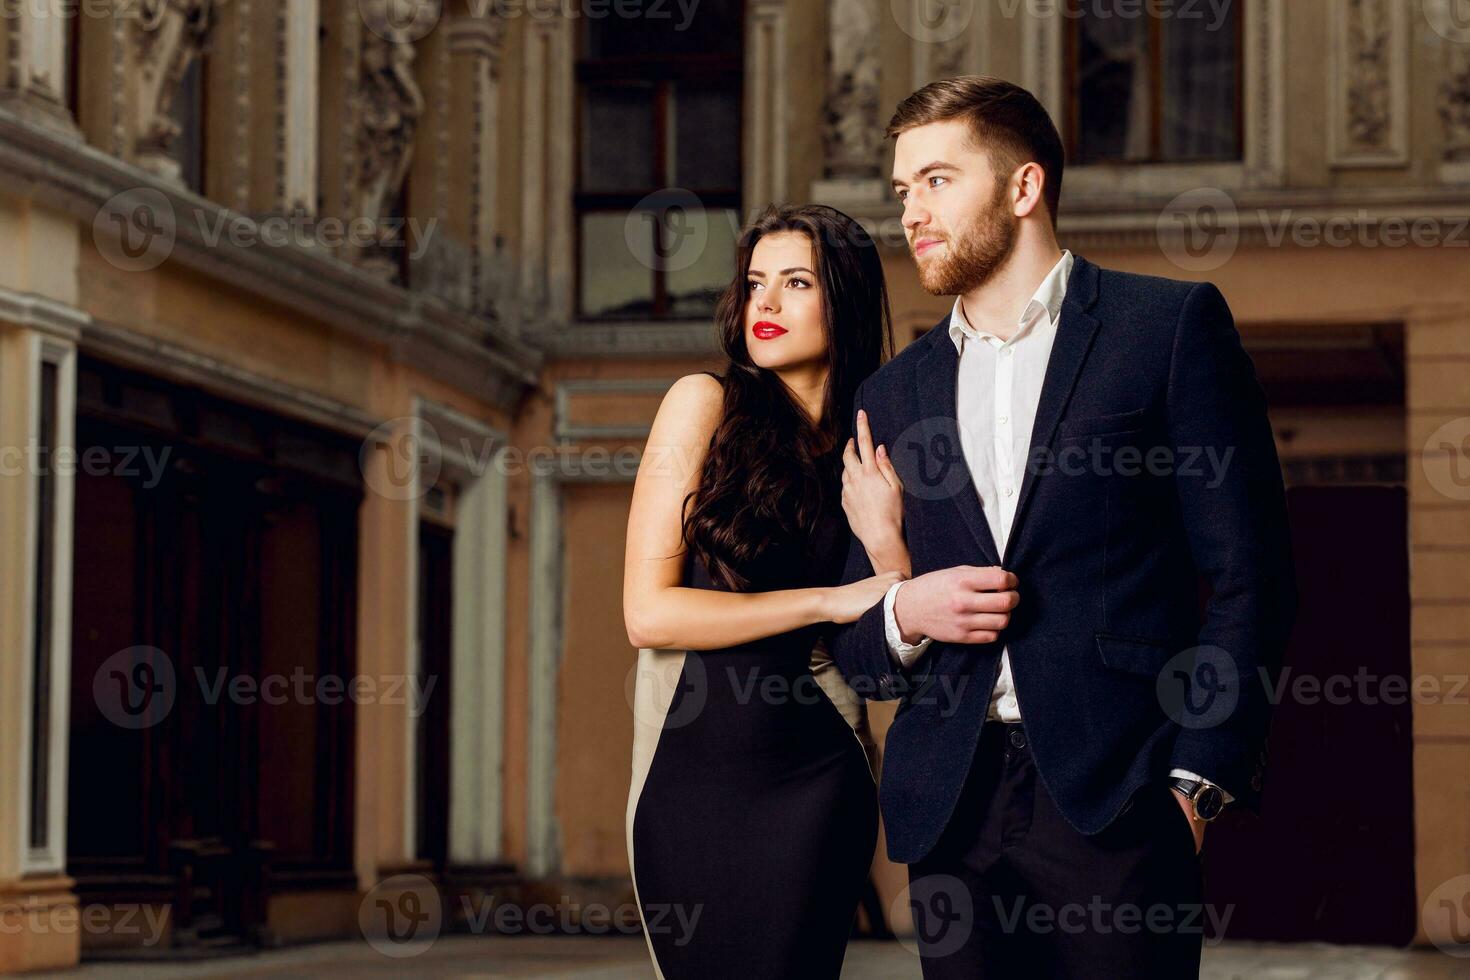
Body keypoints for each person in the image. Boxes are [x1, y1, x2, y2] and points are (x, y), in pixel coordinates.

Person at [832, 75, 1298, 978]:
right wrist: (903, 609)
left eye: (936, 181)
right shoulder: (892, 393)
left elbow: (1253, 575)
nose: (911, 214)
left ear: (1023, 186)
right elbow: (860, 649)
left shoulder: (1163, 330)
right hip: (951, 812)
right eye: (901, 191)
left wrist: (1195, 783)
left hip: (1120, 798)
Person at [623, 204, 900, 978]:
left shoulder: (877, 439)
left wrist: (884, 541)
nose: (765, 305)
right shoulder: (701, 405)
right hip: (692, 779)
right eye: (754, 284)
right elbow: (648, 614)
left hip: (822, 779)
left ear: (841, 300)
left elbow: (900, 614)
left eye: (796, 282)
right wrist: (825, 601)